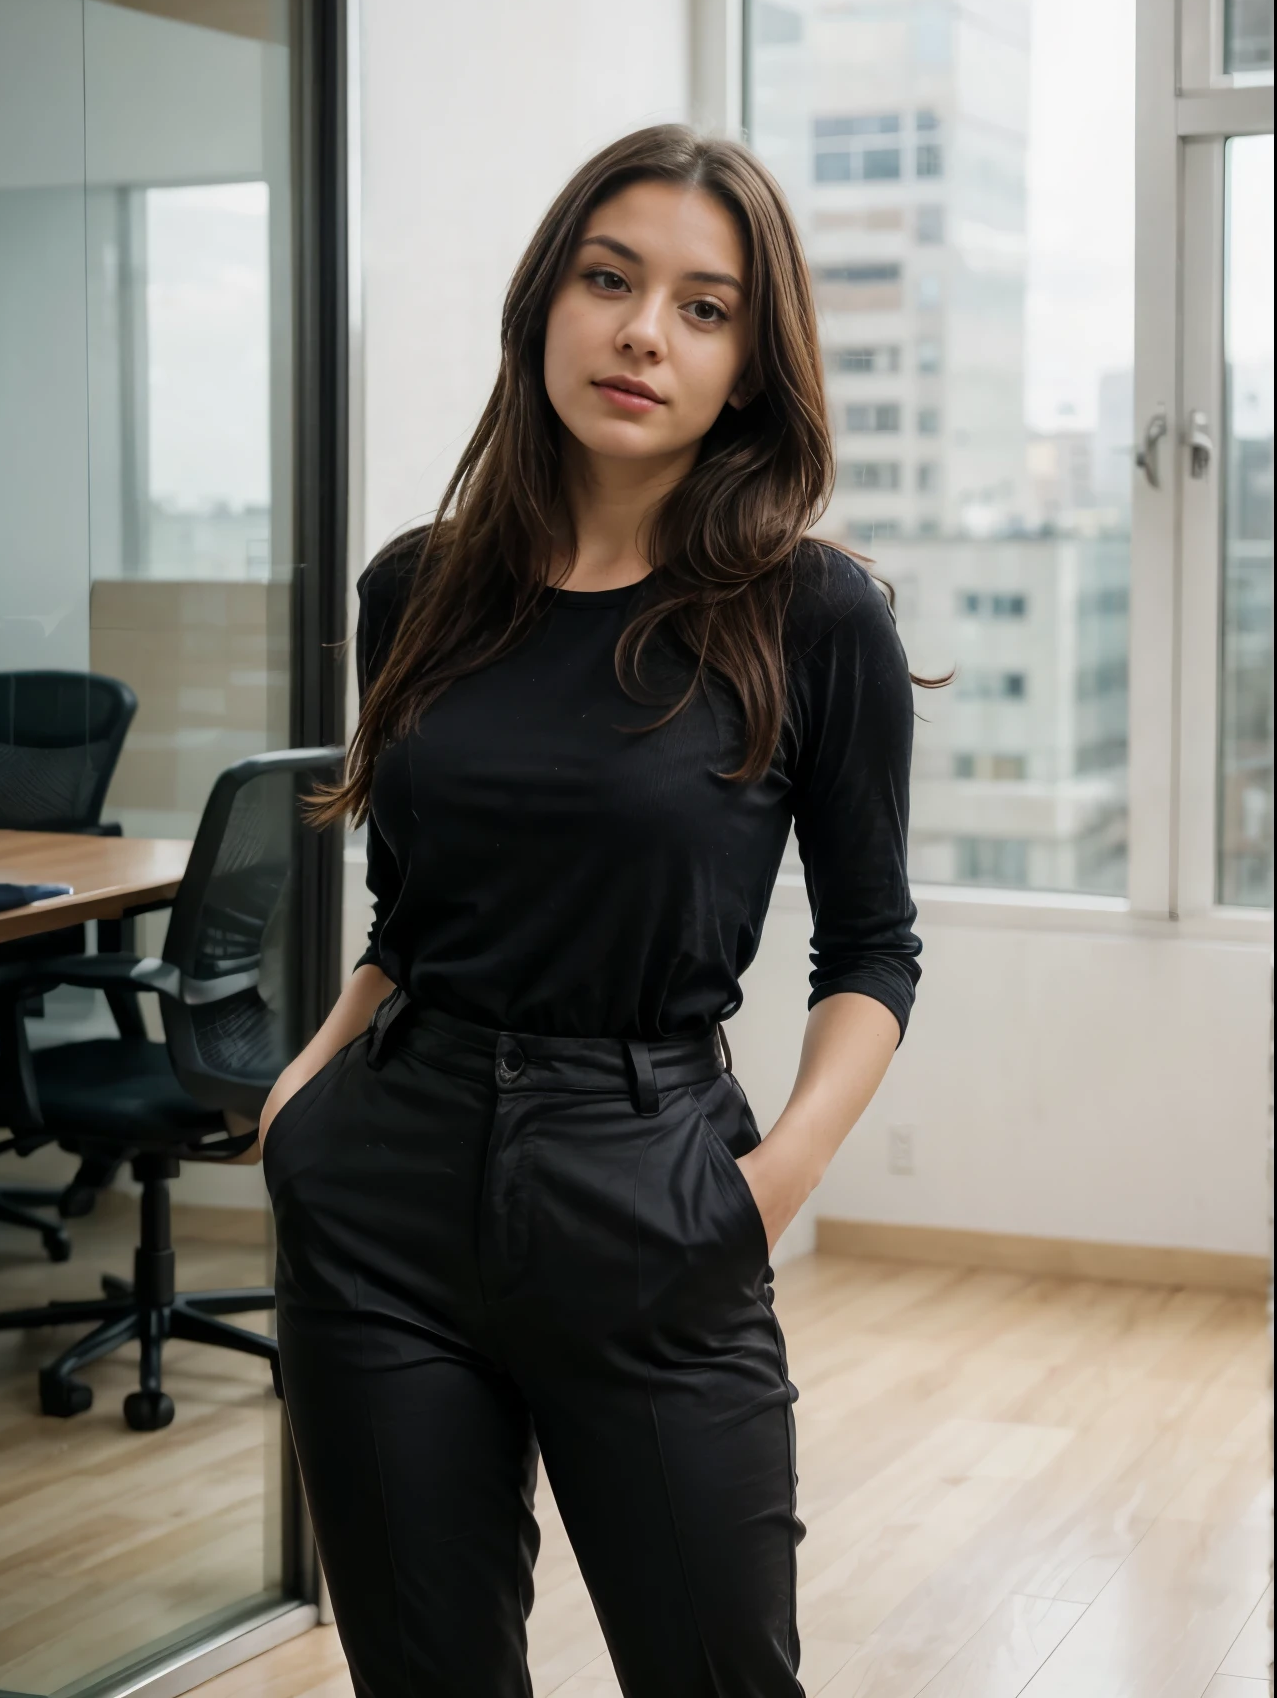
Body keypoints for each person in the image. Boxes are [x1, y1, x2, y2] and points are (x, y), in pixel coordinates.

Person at [259, 125, 923, 1698]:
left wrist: (772, 1186)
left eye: (705, 307)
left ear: (752, 369)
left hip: (654, 1188)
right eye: (609, 278)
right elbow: (407, 906)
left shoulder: (813, 618)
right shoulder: (411, 590)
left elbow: (873, 946)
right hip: (385, 1194)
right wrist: (310, 1090)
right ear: (544, 303)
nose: (642, 331)